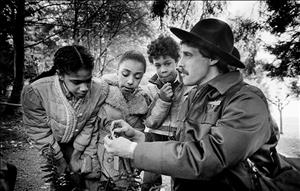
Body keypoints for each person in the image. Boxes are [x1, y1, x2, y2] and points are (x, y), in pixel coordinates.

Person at [103, 18, 282, 191]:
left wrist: (133, 151)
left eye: (187, 55)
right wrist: (140, 138)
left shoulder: (246, 100)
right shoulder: (193, 96)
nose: (179, 65)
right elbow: (181, 145)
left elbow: (209, 158)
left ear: (212, 58)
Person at [21, 45, 108, 190]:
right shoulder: (36, 92)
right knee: (59, 181)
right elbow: (38, 130)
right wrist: (59, 160)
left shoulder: (99, 90)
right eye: (76, 82)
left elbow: (90, 123)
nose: (85, 88)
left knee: (80, 178)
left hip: (79, 143)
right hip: (50, 142)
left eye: (88, 80)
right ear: (60, 75)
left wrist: (76, 155)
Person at [142, 34, 191, 190]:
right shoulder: (150, 88)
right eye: (158, 65)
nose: (163, 70)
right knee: (150, 180)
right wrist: (162, 100)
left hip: (178, 138)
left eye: (167, 63)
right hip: (154, 137)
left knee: (179, 179)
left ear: (176, 61)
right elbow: (149, 122)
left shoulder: (188, 84)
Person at [97, 50, 150, 190]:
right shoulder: (102, 92)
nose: (131, 81)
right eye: (125, 74)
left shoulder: (143, 100)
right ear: (117, 71)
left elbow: (141, 132)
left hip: (127, 165)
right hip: (99, 161)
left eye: (137, 77)